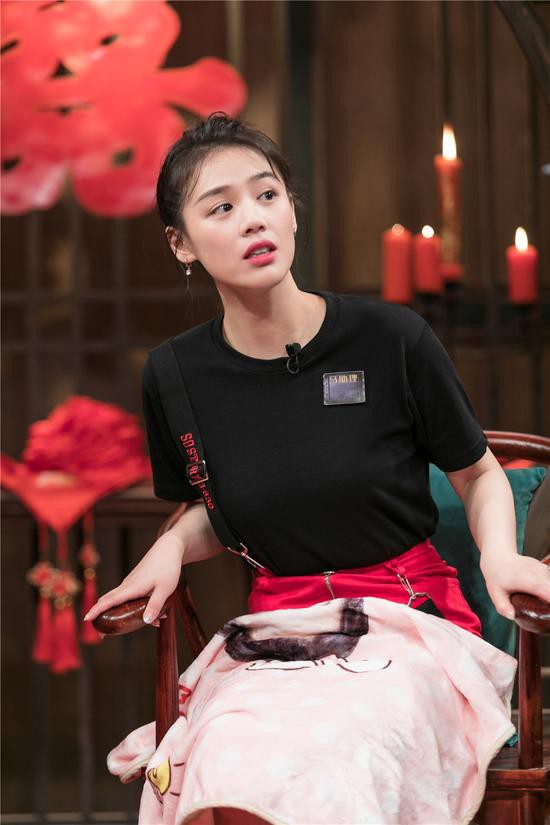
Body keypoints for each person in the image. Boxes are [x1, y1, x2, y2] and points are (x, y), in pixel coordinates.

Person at [84, 113, 550, 824]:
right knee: (224, 762)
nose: (253, 218)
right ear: (181, 243)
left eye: (267, 194)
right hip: (276, 636)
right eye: (221, 207)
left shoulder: (391, 338)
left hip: (408, 627)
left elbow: (478, 474)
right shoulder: (175, 375)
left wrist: (500, 558)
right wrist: (171, 545)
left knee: (339, 752)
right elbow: (212, 505)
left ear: (292, 211)